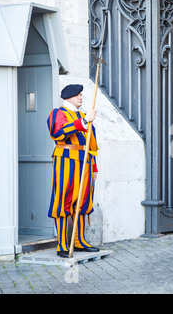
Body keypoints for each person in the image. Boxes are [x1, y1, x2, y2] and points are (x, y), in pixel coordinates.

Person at [47, 84, 100, 258]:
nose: (81, 97)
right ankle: (62, 244)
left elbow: (90, 143)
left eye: (81, 95)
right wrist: (83, 122)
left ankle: (79, 241)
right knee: (64, 199)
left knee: (83, 201)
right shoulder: (58, 113)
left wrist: (93, 167)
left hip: (84, 161)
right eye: (77, 95)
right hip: (66, 159)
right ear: (68, 97)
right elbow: (58, 133)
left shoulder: (83, 115)